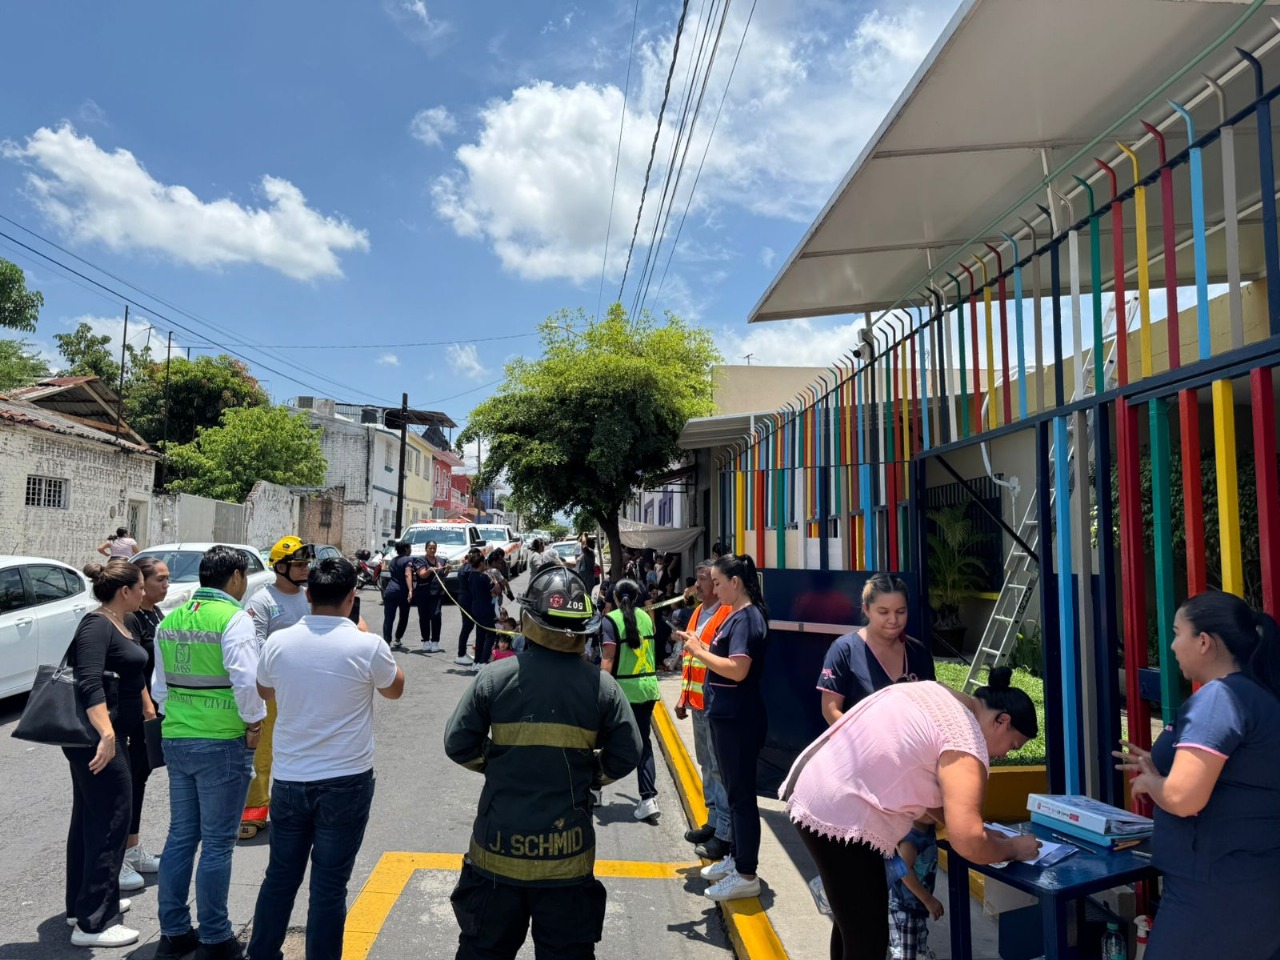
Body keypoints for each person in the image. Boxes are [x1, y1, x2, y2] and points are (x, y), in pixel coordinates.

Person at [444, 565, 642, 959]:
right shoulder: (601, 687)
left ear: (529, 620)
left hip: (496, 856)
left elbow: (458, 743)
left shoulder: (493, 678)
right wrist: (590, 774)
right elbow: (627, 752)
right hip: (567, 864)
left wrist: (499, 765)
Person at [780, 667, 1040, 960]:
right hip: (841, 811)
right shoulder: (966, 739)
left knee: (854, 926)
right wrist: (1014, 848)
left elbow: (918, 780)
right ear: (1002, 721)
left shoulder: (939, 693)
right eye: (1012, 746)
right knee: (867, 942)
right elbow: (969, 842)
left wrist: (983, 832)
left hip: (820, 785)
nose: (1004, 755)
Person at [247, 558, 405, 960]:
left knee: (280, 877)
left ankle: (261, 953)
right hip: (346, 779)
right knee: (330, 886)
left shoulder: (278, 642)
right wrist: (364, 634)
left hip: (290, 778)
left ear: (308, 595)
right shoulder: (366, 644)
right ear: (352, 597)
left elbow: (264, 690)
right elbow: (394, 689)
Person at [1113, 591, 1280, 960]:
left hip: (1215, 892)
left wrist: (1151, 783)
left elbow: (1183, 798)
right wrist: (1159, 770)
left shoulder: (1219, 699)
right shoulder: (1255, 695)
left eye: (1177, 633)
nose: (1172, 646)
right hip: (1248, 883)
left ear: (1204, 642)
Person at [152, 546, 266, 960]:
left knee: (181, 836)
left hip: (177, 737)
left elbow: (160, 688)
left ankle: (174, 934)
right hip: (221, 741)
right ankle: (216, 937)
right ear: (235, 577)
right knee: (217, 843)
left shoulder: (172, 618)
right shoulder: (233, 619)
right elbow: (246, 681)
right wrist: (254, 725)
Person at [64, 560, 150, 948]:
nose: (145, 593)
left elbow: (128, 673)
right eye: (141, 587)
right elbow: (88, 681)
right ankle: (94, 923)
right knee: (112, 821)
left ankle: (81, 906)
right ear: (124, 591)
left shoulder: (120, 621)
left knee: (90, 820)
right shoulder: (97, 625)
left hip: (110, 735)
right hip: (99, 740)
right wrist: (107, 733)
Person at [678, 553, 770, 902]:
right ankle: (737, 858)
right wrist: (701, 646)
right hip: (728, 715)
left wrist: (699, 651)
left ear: (736, 582)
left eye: (717, 583)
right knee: (734, 794)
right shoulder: (737, 615)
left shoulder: (746, 618)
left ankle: (746, 872)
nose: (713, 590)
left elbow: (737, 669)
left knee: (741, 797)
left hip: (738, 719)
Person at [239, 537, 315, 842]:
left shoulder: (309, 598)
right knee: (263, 752)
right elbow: (255, 644)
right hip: (272, 690)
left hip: (306, 689)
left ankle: (301, 809)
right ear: (280, 567)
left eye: (306, 564)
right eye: (298, 565)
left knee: (304, 748)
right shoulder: (261, 601)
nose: (305, 569)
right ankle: (254, 811)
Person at [674, 561, 735, 860]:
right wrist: (683, 697)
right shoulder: (698, 612)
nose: (696, 586)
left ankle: (724, 832)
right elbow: (691, 659)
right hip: (699, 704)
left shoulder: (727, 614)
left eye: (703, 580)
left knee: (719, 769)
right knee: (707, 766)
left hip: (715, 705)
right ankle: (713, 822)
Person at [817, 575, 935, 727]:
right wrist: (865, 738)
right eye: (883, 612)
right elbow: (830, 710)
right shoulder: (844, 650)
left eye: (900, 611)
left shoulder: (919, 652)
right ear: (866, 609)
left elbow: (932, 704)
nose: (893, 620)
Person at [120, 557, 170, 886]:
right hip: (137, 712)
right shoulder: (130, 617)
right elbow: (133, 667)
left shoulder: (155, 613)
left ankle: (132, 848)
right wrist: (147, 706)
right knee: (128, 780)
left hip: (155, 709)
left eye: (167, 579)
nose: (166, 584)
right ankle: (118, 856)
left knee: (140, 777)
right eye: (159, 579)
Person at [600, 579, 663, 821]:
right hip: (647, 689)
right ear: (637, 598)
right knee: (643, 743)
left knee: (603, 738)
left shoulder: (611, 620)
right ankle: (648, 798)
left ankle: (594, 789)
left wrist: (601, 692)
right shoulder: (646, 618)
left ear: (615, 598)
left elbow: (608, 658)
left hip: (622, 690)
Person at [887, 822, 943, 960]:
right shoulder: (910, 837)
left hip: (916, 906)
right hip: (904, 907)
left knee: (918, 950)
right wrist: (928, 900)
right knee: (905, 955)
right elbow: (904, 871)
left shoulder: (928, 828)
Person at [413, 540, 446, 652]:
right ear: (426, 549)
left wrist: (446, 570)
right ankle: (426, 640)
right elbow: (422, 575)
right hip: (423, 593)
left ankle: (435, 641)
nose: (432, 550)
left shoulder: (441, 560)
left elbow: (442, 574)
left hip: (437, 593)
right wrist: (429, 570)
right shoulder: (420, 560)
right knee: (424, 617)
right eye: (430, 548)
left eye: (434, 548)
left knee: (436, 615)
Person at [381, 541, 414, 650]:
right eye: (410, 548)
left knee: (388, 618)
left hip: (390, 591)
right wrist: (410, 590)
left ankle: (387, 641)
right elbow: (408, 574)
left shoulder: (393, 560)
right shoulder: (408, 559)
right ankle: (398, 638)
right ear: (406, 549)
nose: (411, 550)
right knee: (403, 616)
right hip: (402, 592)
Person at [469, 555, 499, 670]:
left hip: (476, 608)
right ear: (481, 563)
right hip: (486, 609)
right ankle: (483, 661)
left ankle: (476, 661)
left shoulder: (471, 575)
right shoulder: (484, 577)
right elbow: (496, 590)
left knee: (480, 635)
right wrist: (494, 580)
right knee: (491, 634)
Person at [453, 548, 482, 666]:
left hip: (464, 598)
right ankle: (461, 654)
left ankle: (462, 653)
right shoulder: (469, 569)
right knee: (467, 626)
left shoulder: (464, 567)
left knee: (468, 626)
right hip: (467, 599)